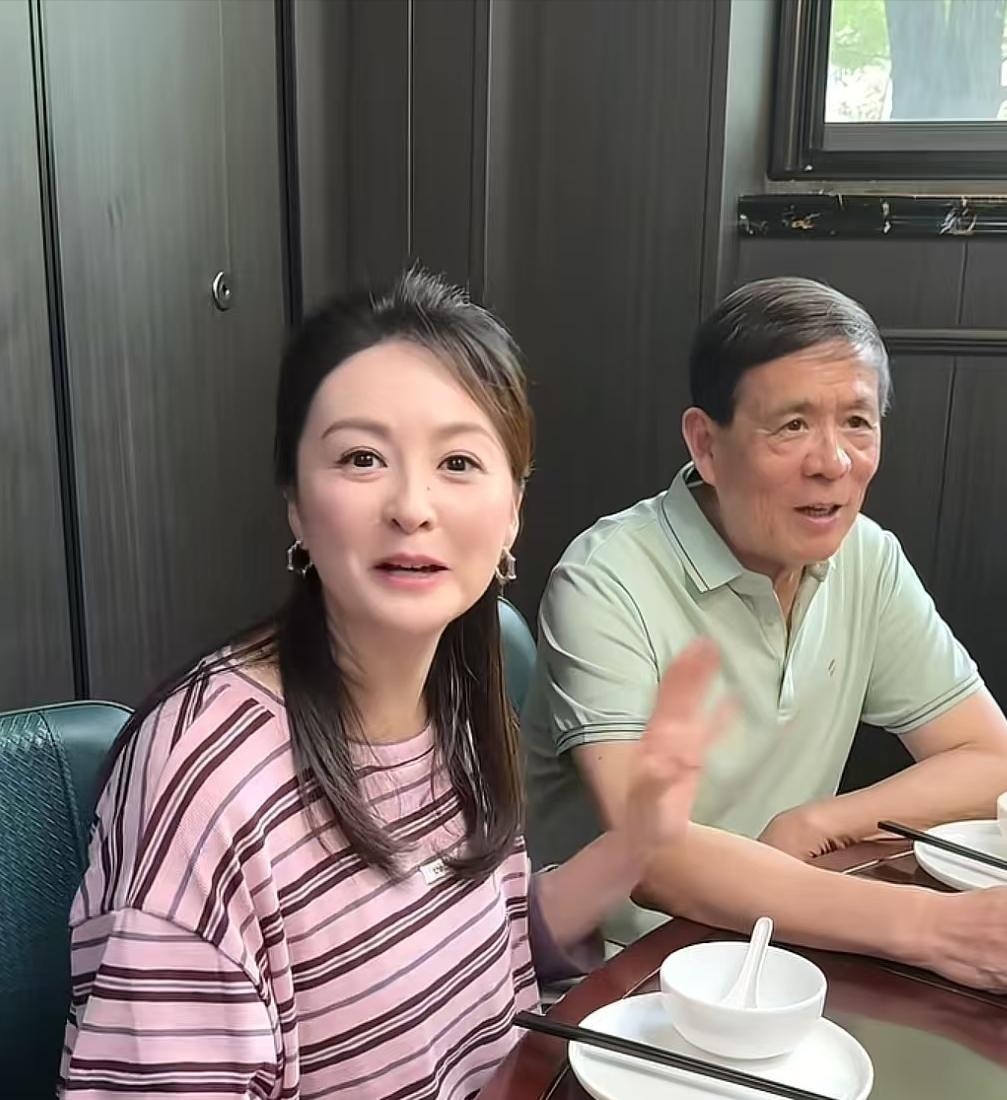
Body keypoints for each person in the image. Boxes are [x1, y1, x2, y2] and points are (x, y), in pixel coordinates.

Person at [59, 269, 727, 1099]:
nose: (412, 506)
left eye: (457, 461)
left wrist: (637, 843)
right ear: (296, 504)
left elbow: (481, 956)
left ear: (512, 510)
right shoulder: (203, 782)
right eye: (361, 458)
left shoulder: (455, 688)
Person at [522, 276, 1007, 990]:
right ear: (706, 444)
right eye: (791, 426)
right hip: (617, 977)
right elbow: (652, 858)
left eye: (857, 422)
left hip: (781, 950)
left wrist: (822, 822)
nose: (832, 462)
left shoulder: (866, 558)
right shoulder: (605, 580)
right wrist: (932, 928)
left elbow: (988, 755)